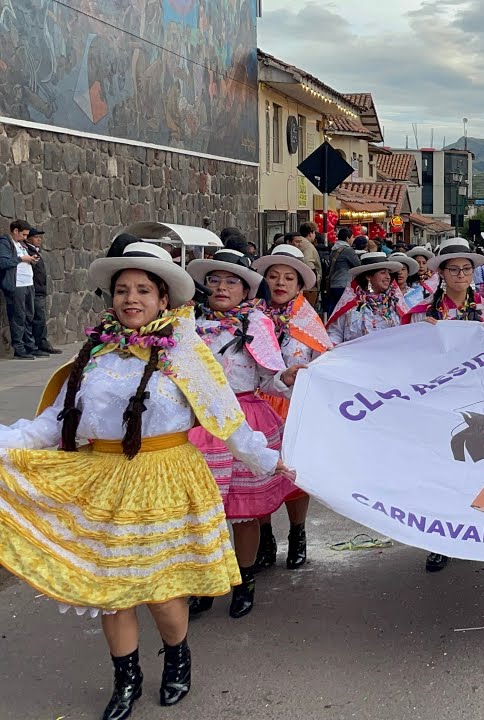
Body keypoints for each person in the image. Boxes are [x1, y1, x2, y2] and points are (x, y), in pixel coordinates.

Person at [0, 242, 289, 718]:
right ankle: (125, 677)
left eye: (142, 290)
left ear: (162, 299)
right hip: (102, 480)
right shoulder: (93, 355)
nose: (130, 299)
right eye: (121, 290)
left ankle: (177, 656)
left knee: (161, 589)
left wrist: (267, 460)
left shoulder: (185, 354)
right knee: (110, 589)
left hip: (165, 478)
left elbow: (226, 417)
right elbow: (53, 423)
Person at [185, 249, 302, 619]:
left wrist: (286, 377)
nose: (222, 287)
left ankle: (244, 579)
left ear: (246, 289)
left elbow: (269, 377)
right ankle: (205, 583)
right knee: (199, 511)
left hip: (243, 418)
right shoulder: (185, 325)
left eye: (231, 281)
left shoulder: (255, 325)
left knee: (244, 512)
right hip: (196, 424)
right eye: (215, 280)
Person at [407, 238, 484, 572]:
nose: (461, 274)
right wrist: (424, 335)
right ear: (442, 273)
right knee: (440, 467)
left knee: (473, 464)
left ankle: (469, 531)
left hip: (475, 398)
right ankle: (438, 540)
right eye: (453, 269)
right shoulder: (423, 312)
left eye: (466, 269)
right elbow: (403, 352)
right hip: (437, 400)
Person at [251, 245, 333, 571]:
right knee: (257, 475)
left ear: (300, 286)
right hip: (256, 407)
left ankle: (297, 534)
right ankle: (264, 537)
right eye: (273, 276)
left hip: (293, 408)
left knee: (293, 477)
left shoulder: (309, 322)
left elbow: (323, 362)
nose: (280, 283)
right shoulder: (251, 318)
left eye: (289, 277)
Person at [327, 252, 408, 344]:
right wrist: (332, 346)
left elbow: (407, 329)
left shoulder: (394, 303)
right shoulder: (351, 304)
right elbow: (336, 332)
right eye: (383, 273)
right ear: (368, 276)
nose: (388, 277)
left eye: (388, 273)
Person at [1, 219, 42, 358]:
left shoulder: (22, 244)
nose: (25, 238)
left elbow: (27, 258)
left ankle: (30, 346)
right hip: (16, 285)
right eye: (23, 235)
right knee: (18, 317)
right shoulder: (5, 243)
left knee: (29, 316)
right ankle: (19, 348)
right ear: (15, 231)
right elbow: (3, 262)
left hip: (28, 283)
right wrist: (22, 259)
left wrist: (32, 259)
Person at [23, 227, 61, 354]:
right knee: (37, 318)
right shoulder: (27, 251)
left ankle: (41, 343)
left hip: (39, 289)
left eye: (40, 238)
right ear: (29, 238)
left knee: (40, 318)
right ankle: (39, 344)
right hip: (35, 290)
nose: (39, 240)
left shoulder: (35, 251)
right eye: (36, 237)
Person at [324, 228, 361, 316]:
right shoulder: (348, 250)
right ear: (347, 238)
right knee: (344, 311)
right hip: (343, 284)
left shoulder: (334, 249)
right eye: (352, 237)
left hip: (333, 283)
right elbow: (358, 265)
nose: (352, 240)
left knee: (333, 310)